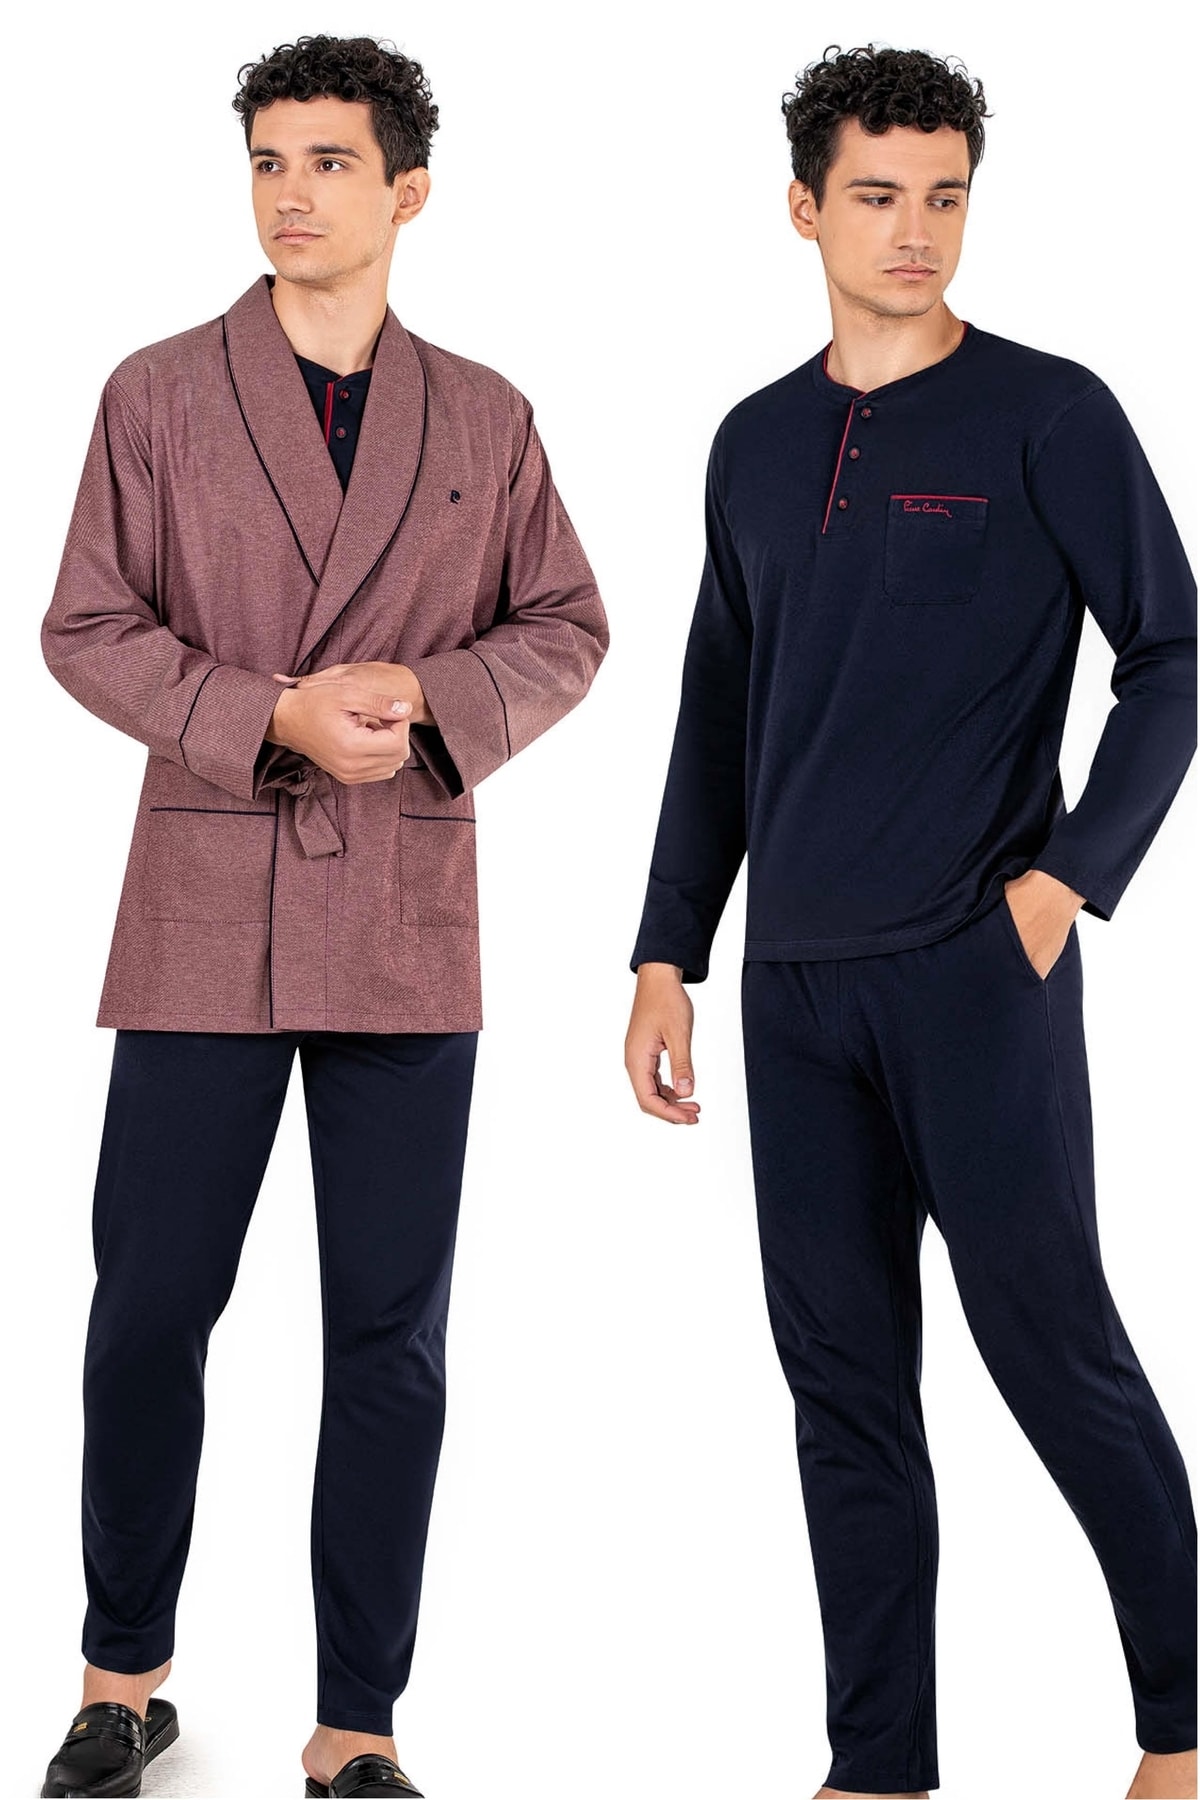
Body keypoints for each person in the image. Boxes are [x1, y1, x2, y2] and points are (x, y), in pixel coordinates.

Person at [624, 42, 1196, 1800]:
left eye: (945, 196)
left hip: (975, 971)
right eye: (877, 195)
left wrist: (1065, 882)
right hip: (795, 993)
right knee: (844, 1390)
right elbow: (722, 708)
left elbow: (1172, 654)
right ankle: (877, 1767)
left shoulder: (1048, 413)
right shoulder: (752, 441)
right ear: (804, 208)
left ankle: (1183, 1735)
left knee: (1059, 1359)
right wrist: (668, 950)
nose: (916, 231)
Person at [40, 34, 607, 1800]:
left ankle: (358, 1722)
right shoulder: (155, 392)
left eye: (330, 161)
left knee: (389, 1337)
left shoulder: (487, 413)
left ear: (408, 189)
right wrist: (266, 711)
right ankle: (121, 1679)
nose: (291, 193)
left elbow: (567, 625)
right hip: (202, 908)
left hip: (404, 921)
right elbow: (84, 626)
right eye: (268, 160)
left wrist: (430, 698)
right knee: (149, 1310)